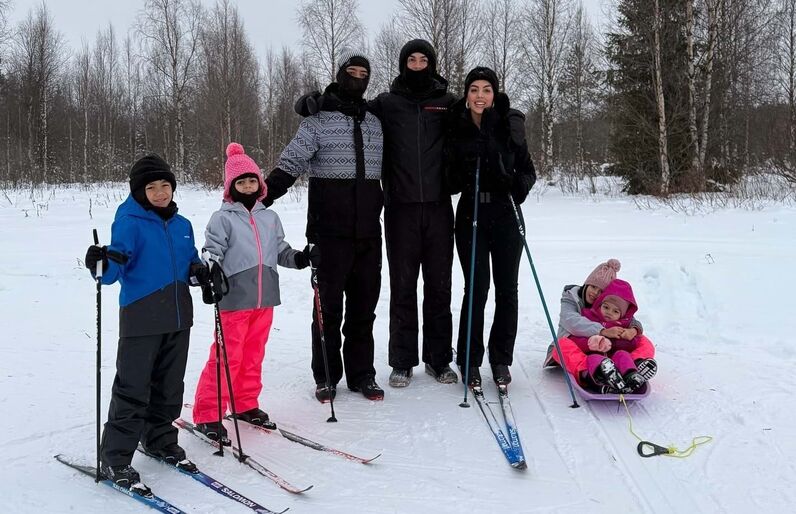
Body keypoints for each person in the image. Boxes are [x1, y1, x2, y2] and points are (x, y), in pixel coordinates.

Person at [263, 48, 386, 402]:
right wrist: (259, 199)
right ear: (340, 73)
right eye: (352, 72)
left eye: (364, 74)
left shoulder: (375, 122)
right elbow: (291, 164)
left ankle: (362, 374)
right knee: (327, 310)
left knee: (363, 309)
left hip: (368, 233)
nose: (357, 78)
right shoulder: (316, 121)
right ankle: (327, 376)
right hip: (328, 233)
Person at [84, 154, 206, 492]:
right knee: (133, 388)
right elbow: (112, 272)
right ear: (139, 192)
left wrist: (200, 273)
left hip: (179, 317)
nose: (160, 192)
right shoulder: (129, 222)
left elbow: (190, 261)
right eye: (152, 187)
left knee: (170, 386)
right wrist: (99, 263)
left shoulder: (182, 225)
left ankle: (159, 439)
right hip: (141, 317)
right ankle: (115, 457)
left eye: (165, 185)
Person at [192, 143, 315, 442]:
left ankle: (245, 403)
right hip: (234, 299)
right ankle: (208, 413)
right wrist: (211, 270)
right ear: (230, 187)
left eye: (252, 180)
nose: (247, 186)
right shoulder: (222, 218)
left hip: (265, 298)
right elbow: (212, 251)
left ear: (260, 184)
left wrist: (300, 258)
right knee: (226, 357)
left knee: (253, 355)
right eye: (241, 182)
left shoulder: (269, 218)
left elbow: (280, 250)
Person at [445, 67, 537, 388]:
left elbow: (528, 171)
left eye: (486, 89)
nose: (480, 96)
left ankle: (500, 359)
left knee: (507, 289)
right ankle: (469, 359)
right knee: (477, 288)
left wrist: (512, 182)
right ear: (466, 95)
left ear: (494, 95)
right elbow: (448, 180)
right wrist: (460, 170)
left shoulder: (508, 125)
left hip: (506, 212)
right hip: (471, 212)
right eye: (474, 89)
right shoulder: (457, 126)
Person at [545, 259, 658, 390]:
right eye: (593, 287)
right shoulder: (571, 298)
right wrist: (603, 331)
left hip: (609, 352)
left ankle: (633, 367)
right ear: (587, 283)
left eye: (600, 291)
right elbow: (571, 321)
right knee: (561, 345)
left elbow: (628, 317)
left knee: (643, 340)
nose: (595, 293)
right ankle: (589, 372)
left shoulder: (606, 304)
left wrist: (633, 330)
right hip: (577, 346)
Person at [568, 279, 648, 392]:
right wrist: (591, 343)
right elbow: (575, 337)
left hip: (614, 359)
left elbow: (632, 344)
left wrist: (621, 338)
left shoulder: (623, 325)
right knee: (594, 359)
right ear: (599, 304)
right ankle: (602, 382)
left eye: (615, 311)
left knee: (623, 354)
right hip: (592, 356)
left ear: (622, 315)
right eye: (606, 307)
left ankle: (631, 376)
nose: (609, 312)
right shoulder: (589, 317)